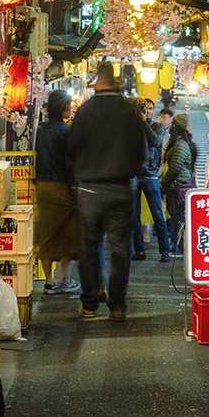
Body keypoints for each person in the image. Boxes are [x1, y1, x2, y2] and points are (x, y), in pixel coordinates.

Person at [67, 61, 145, 321]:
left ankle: (89, 304)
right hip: (122, 188)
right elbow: (142, 152)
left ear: (97, 81)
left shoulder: (85, 111)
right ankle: (117, 305)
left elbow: (71, 149)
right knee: (121, 249)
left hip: (90, 190)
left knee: (89, 247)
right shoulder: (129, 111)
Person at [34, 88, 80, 293]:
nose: (70, 108)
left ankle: (48, 281)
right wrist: (75, 185)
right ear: (62, 107)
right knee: (66, 233)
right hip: (62, 186)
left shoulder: (41, 130)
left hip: (43, 187)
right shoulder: (66, 131)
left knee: (47, 232)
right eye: (68, 105)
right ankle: (65, 278)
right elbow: (70, 162)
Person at [130, 98, 171, 263]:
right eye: (143, 108)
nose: (147, 111)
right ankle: (139, 250)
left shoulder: (157, 126)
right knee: (134, 216)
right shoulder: (132, 128)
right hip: (133, 175)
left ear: (153, 111)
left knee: (157, 214)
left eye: (149, 108)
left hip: (150, 176)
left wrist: (143, 123)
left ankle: (165, 251)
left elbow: (155, 141)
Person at [161, 113, 198, 257]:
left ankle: (179, 248)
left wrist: (164, 182)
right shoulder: (181, 142)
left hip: (178, 186)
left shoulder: (181, 145)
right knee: (177, 216)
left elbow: (175, 167)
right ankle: (177, 246)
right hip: (177, 185)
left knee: (178, 218)